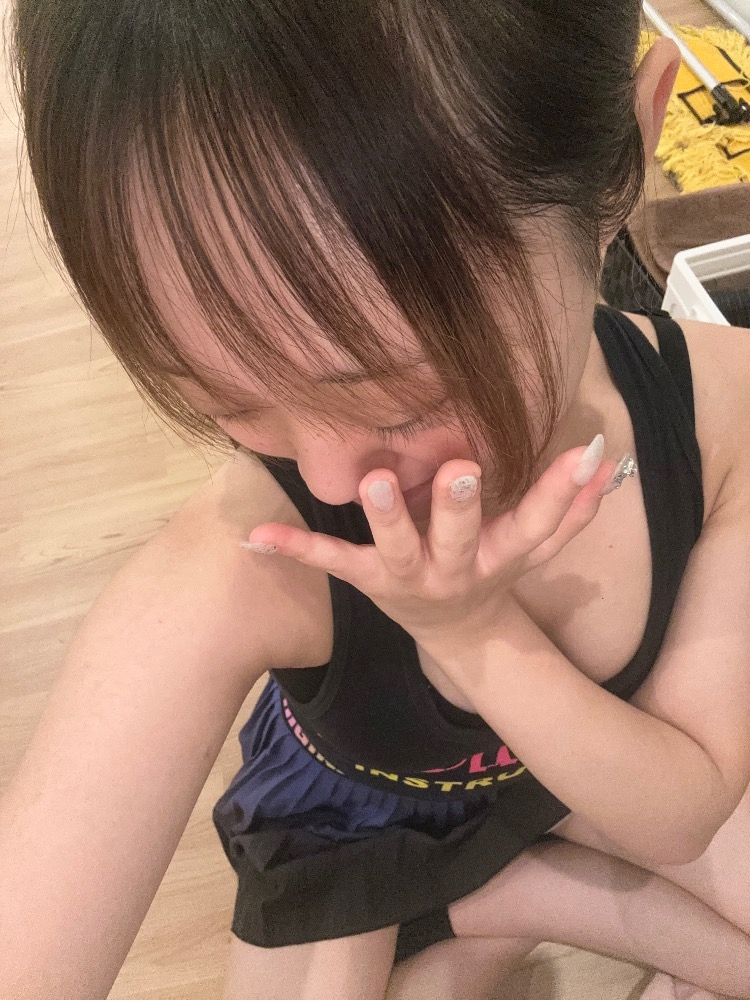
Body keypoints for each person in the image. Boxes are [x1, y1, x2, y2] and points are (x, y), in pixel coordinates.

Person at [3, 1, 750, 998]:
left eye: (403, 399)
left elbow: (680, 811)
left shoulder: (720, 412)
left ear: (629, 148)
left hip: (581, 788)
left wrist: (474, 632)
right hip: (350, 825)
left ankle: (515, 893)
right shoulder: (251, 557)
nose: (328, 482)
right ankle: (499, 901)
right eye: (228, 406)